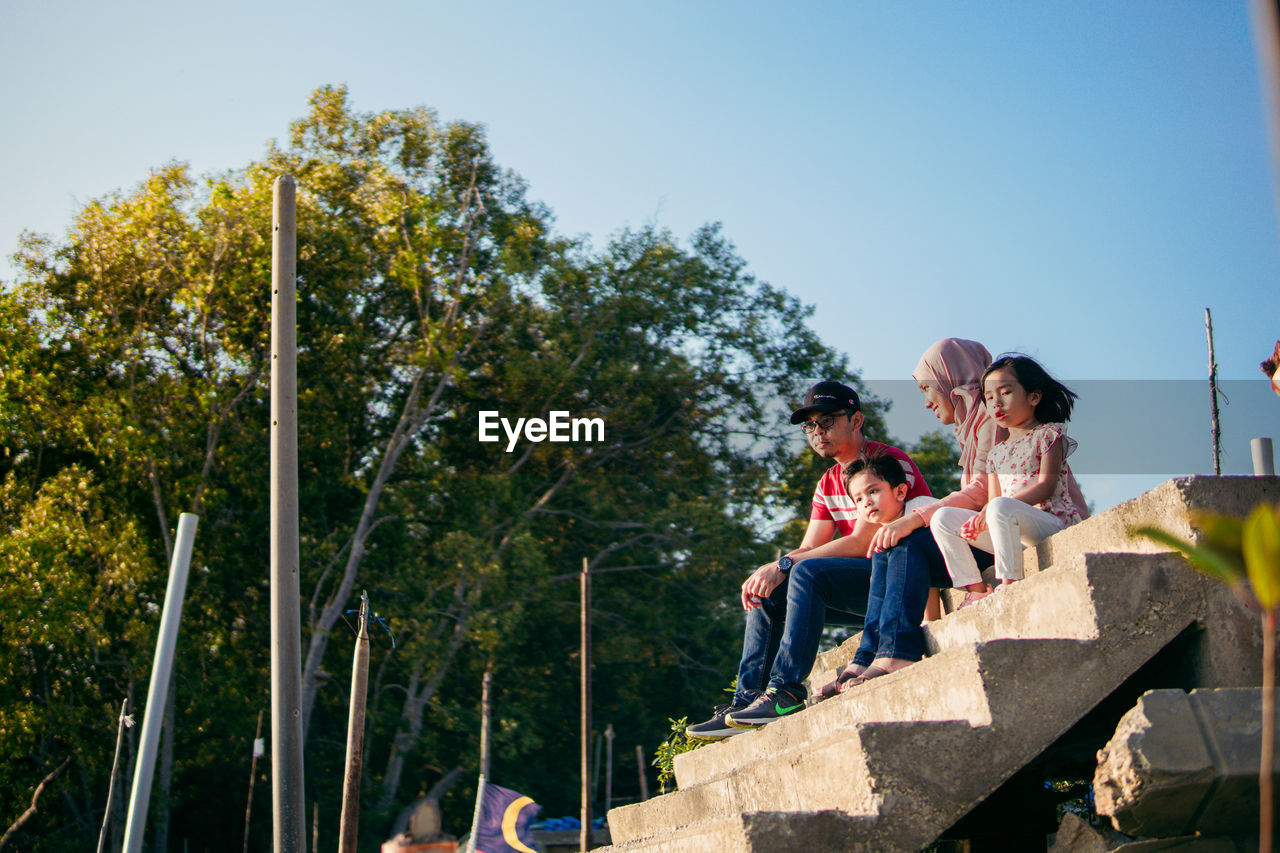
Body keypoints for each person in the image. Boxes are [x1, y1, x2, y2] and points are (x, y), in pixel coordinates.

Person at [684, 381, 931, 736]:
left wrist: (787, 565)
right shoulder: (829, 482)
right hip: (866, 580)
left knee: (805, 573)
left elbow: (863, 541)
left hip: (902, 580)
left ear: (856, 420)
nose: (818, 432)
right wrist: (773, 568)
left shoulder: (885, 463)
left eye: (827, 421)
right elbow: (809, 546)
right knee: (771, 590)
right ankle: (748, 700)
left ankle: (785, 690)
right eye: (810, 426)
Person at [815, 338, 1005, 697]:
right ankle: (870, 653)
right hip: (979, 532)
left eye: (928, 389)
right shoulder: (972, 427)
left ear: (952, 381)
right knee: (890, 545)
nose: (927, 401)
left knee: (901, 538)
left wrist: (914, 518)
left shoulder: (993, 422)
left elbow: (980, 492)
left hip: (1005, 530)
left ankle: (898, 653)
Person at [931, 354, 1089, 606]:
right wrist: (982, 517)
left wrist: (995, 508)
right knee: (943, 518)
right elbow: (994, 501)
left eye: (1005, 393)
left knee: (999, 507)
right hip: (1010, 527)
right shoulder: (996, 453)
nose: (996, 403)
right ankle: (977, 589)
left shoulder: (1049, 436)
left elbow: (1045, 487)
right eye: (990, 397)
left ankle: (1009, 584)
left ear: (1033, 397)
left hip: (1050, 522)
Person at [827, 453, 947, 690]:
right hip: (930, 566)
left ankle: (897, 651)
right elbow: (923, 575)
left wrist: (930, 621)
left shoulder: (921, 506)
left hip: (969, 557)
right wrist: (929, 624)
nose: (867, 502)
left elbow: (927, 560)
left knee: (900, 544)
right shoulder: (888, 536)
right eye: (859, 499)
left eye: (873, 491)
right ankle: (866, 655)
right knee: (882, 553)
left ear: (900, 492)